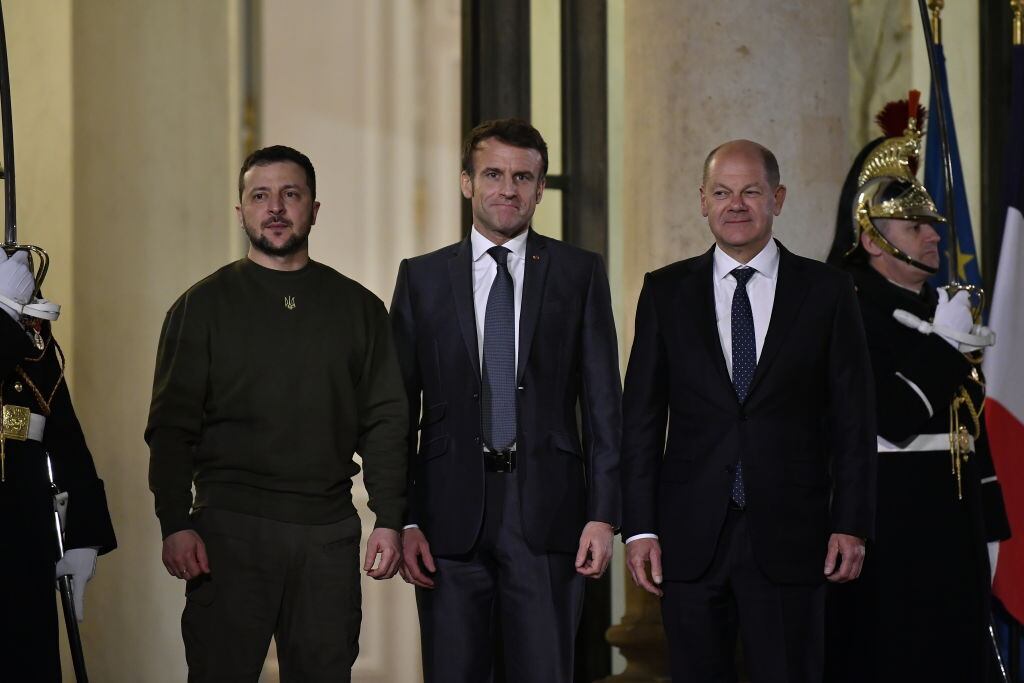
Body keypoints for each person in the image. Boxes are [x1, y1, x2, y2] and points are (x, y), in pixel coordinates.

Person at [146, 145, 408, 682]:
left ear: (314, 209)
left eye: (291, 195)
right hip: (228, 531)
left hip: (327, 533)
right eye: (259, 195)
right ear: (240, 210)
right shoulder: (201, 307)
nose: (275, 208)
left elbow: (386, 419)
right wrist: (175, 521)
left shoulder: (358, 308)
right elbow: (171, 429)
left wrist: (389, 516)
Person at [620, 139, 877, 683]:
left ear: (777, 198)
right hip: (689, 538)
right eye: (721, 192)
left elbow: (854, 420)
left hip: (794, 535)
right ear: (702, 202)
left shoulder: (828, 292)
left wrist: (851, 523)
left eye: (750, 191)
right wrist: (639, 527)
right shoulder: (665, 291)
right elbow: (641, 419)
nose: (735, 204)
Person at [390, 118, 621, 682]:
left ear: (541, 189)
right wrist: (405, 517)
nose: (508, 189)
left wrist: (604, 515)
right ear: (467, 182)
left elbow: (604, 406)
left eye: (523, 177)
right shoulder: (421, 279)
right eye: (493, 173)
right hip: (447, 516)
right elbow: (398, 410)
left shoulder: (578, 272)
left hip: (548, 510)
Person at [825, 99, 1011, 682]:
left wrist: (991, 521)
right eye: (915, 226)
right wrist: (946, 350)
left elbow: (967, 424)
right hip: (889, 528)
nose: (933, 237)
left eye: (931, 225)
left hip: (954, 526)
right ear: (874, 240)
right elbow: (893, 416)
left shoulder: (938, 308)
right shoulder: (845, 309)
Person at [0, 248, 116, 681]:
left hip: (22, 525)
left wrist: (84, 534)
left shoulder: (9, 282)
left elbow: (58, 423)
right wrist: (4, 312)